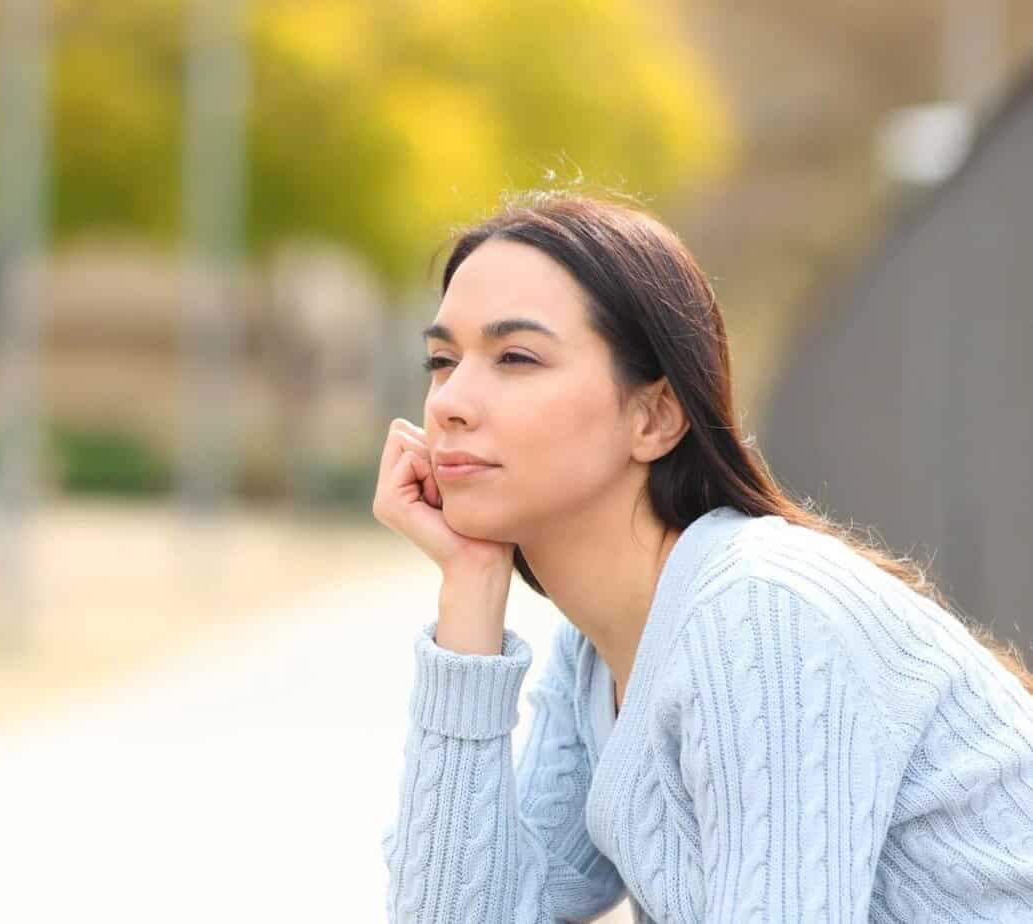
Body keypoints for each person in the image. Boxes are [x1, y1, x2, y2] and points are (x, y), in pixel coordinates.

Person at [371, 191, 1033, 923]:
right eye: (441, 359)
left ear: (653, 416)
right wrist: (468, 587)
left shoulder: (761, 616)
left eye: (516, 357)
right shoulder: (596, 655)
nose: (449, 402)